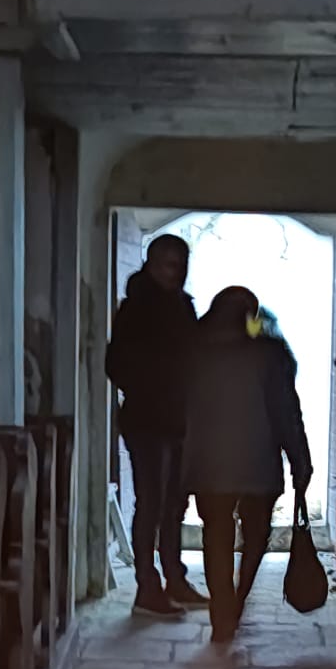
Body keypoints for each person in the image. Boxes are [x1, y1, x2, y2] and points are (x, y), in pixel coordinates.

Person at [184, 285, 312, 645]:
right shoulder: (270, 354)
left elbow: (182, 413)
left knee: (216, 536)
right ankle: (237, 600)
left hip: (211, 464)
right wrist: (300, 459)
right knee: (256, 535)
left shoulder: (195, 352)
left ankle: (221, 608)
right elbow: (287, 412)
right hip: (259, 461)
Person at [106, 234, 207, 617]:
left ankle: (174, 580)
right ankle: (147, 587)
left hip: (179, 418)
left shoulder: (182, 305)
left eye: (179, 264)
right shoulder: (136, 309)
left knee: (174, 503)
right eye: (168, 264)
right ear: (150, 264)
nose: (174, 272)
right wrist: (154, 384)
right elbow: (116, 365)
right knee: (151, 502)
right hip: (147, 419)